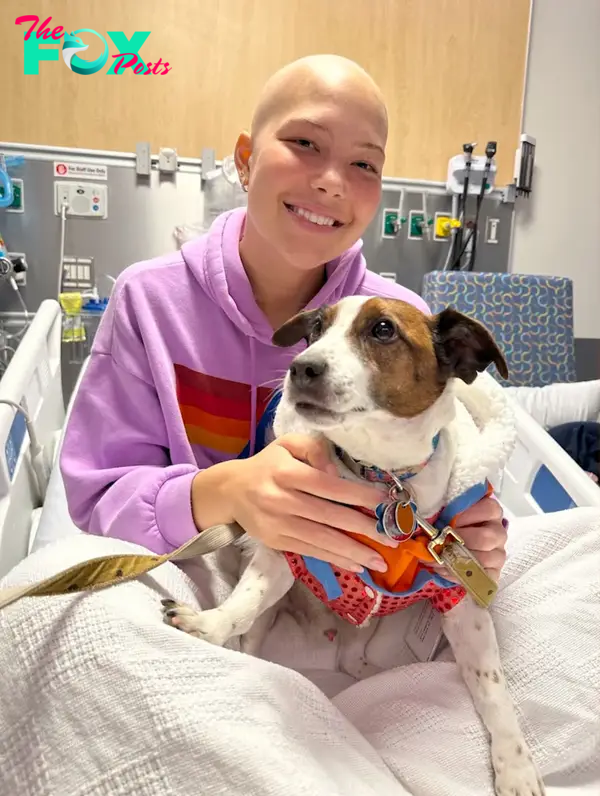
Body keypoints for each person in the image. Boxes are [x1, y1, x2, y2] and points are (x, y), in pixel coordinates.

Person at [60, 54, 507, 583]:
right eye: (305, 144)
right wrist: (228, 492)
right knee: (70, 599)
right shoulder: (150, 301)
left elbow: (441, 462)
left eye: (364, 164)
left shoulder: (400, 321)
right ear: (245, 160)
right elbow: (100, 497)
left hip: (350, 579)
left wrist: (471, 526)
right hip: (193, 564)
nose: (331, 182)